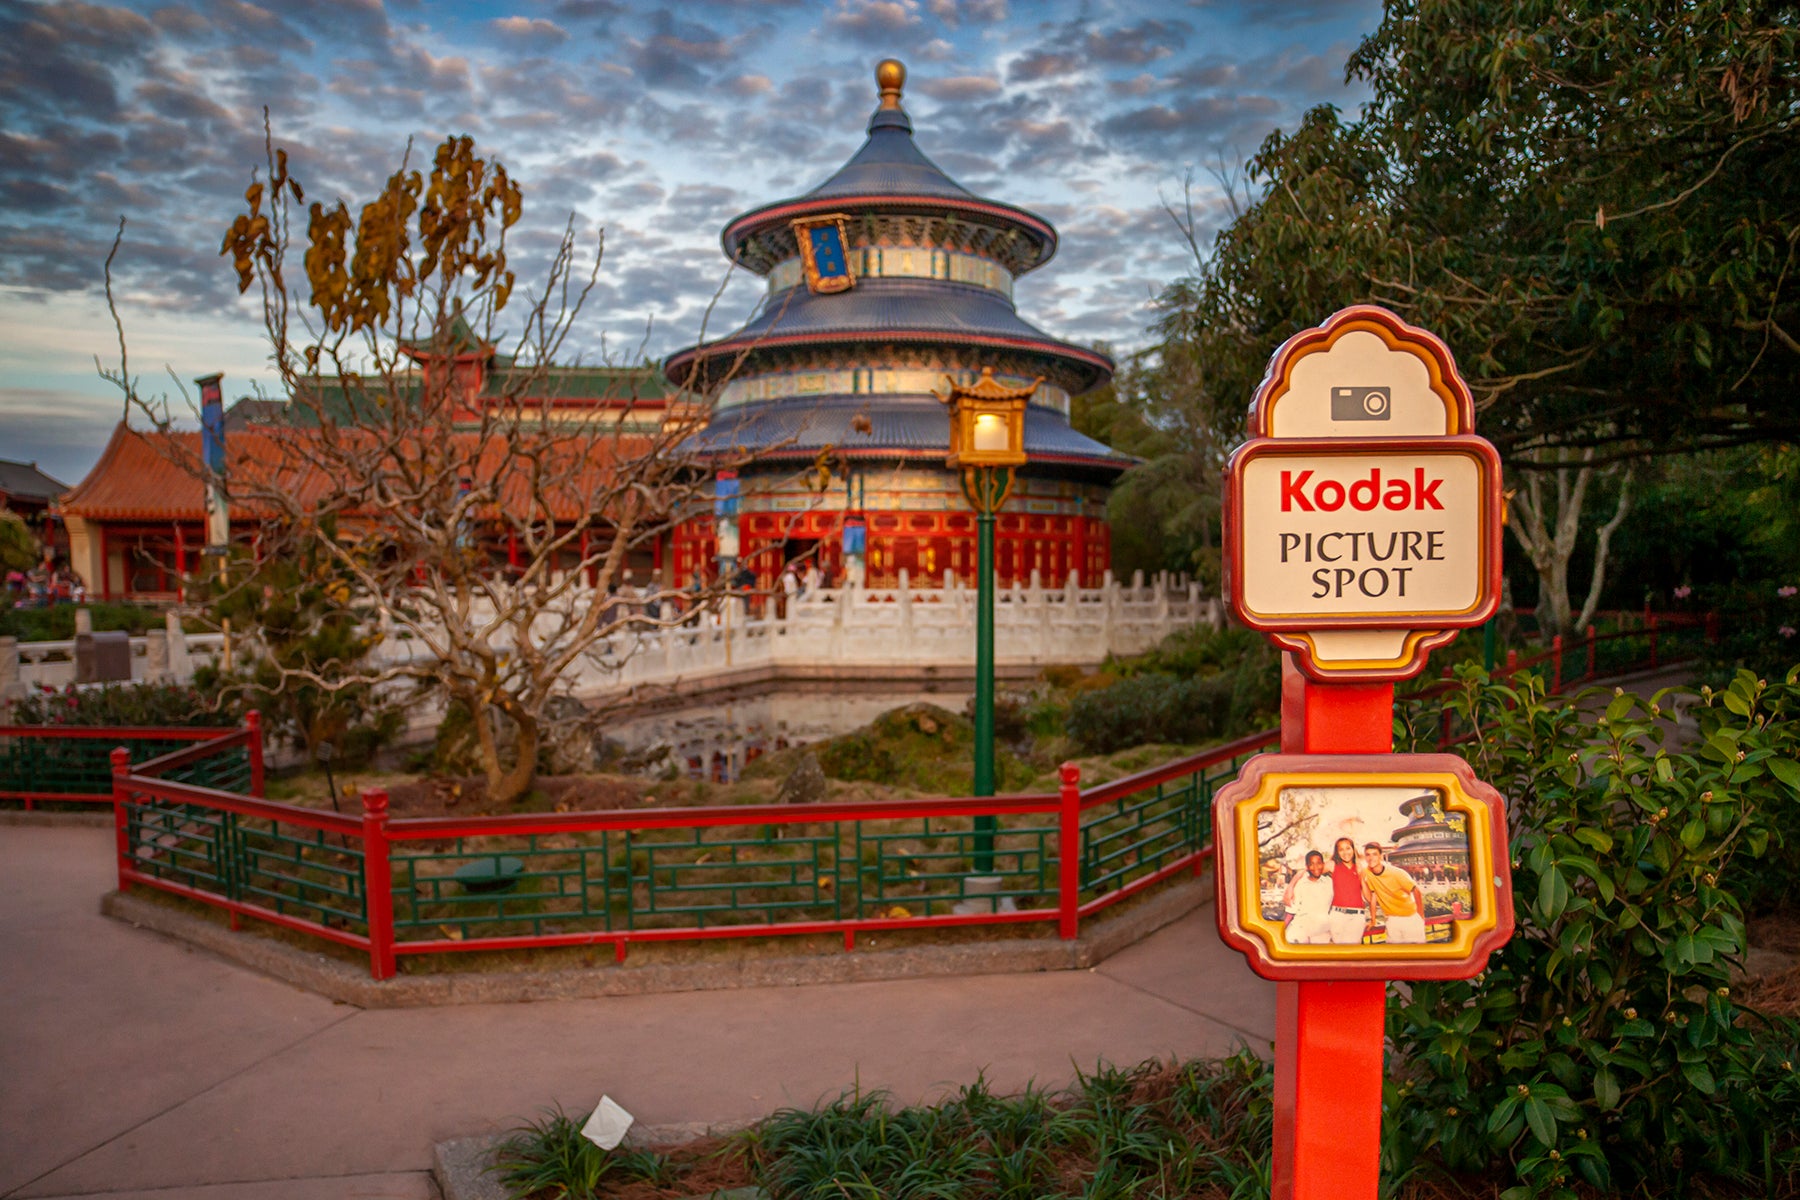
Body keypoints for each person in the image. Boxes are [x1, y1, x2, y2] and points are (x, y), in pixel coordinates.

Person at [1361, 842, 1427, 944]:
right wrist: (1373, 920)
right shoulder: (1368, 873)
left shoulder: (1396, 873)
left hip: (1409, 918)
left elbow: (1416, 890)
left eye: (1374, 854)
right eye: (1368, 854)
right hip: (1391, 920)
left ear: (1381, 857)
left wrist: (1421, 916)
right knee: (1394, 955)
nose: (1371, 858)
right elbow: (1374, 896)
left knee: (1416, 956)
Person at [1281, 850, 1334, 944]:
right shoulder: (1301, 884)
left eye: (1319, 863)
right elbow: (1291, 911)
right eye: (1311, 864)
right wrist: (1280, 931)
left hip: (1321, 929)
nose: (1316, 867)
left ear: (1323, 864)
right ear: (1307, 867)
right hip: (1301, 926)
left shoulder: (1329, 883)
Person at [1326, 836, 1368, 944]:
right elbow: (1312, 869)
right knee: (1339, 954)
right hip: (1337, 915)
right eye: (1341, 849)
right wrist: (1291, 886)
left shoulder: (1360, 868)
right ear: (1337, 852)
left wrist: (1361, 875)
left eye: (1348, 848)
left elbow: (1368, 898)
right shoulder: (1333, 865)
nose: (1345, 852)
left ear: (1353, 849)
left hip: (1357, 917)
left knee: (1352, 954)